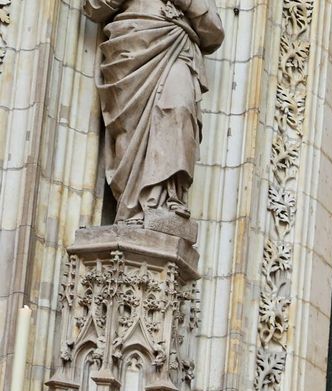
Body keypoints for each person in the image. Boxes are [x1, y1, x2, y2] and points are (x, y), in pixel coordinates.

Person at [84, 0, 226, 226]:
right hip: (132, 47)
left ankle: (167, 201)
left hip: (176, 48)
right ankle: (133, 208)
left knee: (179, 108)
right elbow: (94, 7)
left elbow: (214, 32)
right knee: (131, 129)